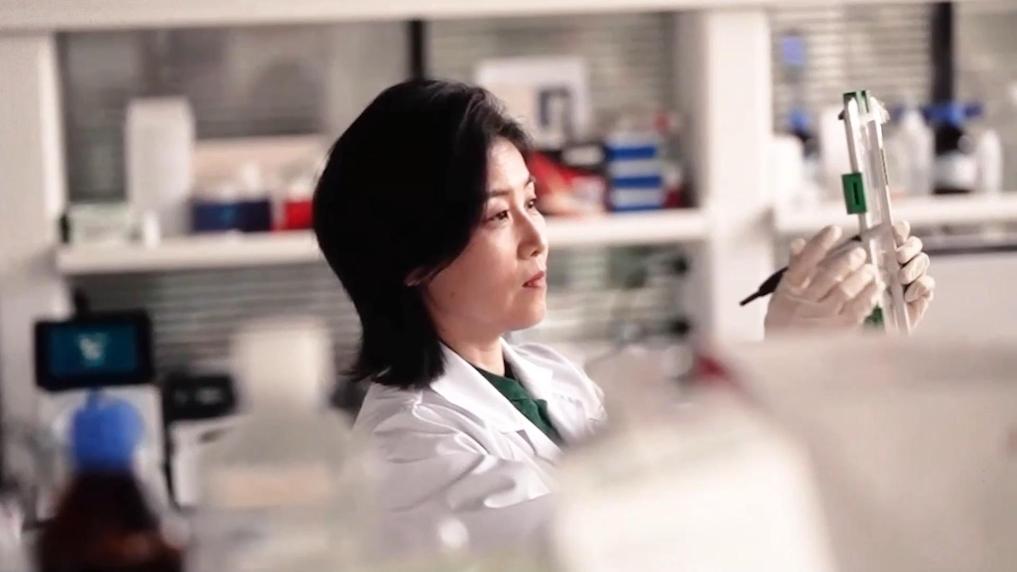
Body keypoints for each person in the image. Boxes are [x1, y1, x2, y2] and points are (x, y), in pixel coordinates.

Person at [311, 79, 935, 554]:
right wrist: (777, 362)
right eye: (498, 216)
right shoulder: (412, 455)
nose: (537, 238)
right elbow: (633, 538)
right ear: (413, 258)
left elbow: (677, 466)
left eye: (532, 202)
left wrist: (834, 350)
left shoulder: (555, 377)